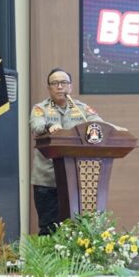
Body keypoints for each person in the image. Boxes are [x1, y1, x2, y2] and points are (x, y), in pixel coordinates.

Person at [29, 68, 103, 235]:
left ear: (70, 86)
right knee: (48, 228)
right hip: (47, 180)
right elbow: (36, 126)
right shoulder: (40, 108)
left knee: (75, 227)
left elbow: (98, 124)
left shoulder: (81, 109)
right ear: (49, 88)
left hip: (75, 178)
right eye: (55, 83)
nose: (59, 86)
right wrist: (50, 126)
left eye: (63, 82)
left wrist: (110, 129)